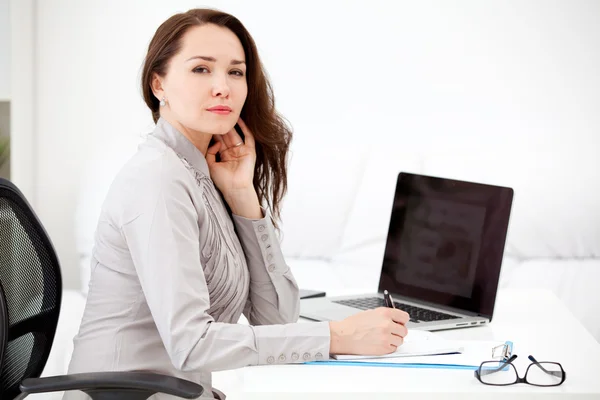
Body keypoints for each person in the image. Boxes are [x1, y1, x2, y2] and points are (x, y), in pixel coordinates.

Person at [63, 8, 409, 400]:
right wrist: (337, 336)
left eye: (235, 72)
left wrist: (244, 197)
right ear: (158, 84)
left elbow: (277, 317)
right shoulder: (157, 179)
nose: (222, 87)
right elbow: (191, 345)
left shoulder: (202, 173)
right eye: (200, 69)